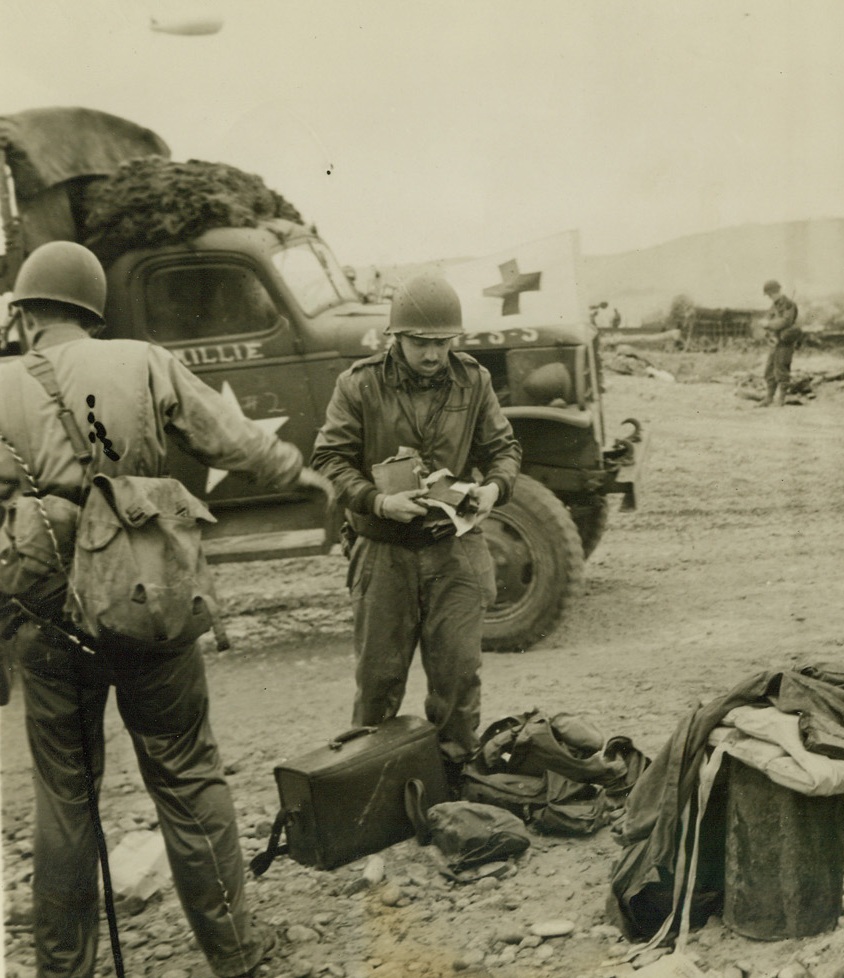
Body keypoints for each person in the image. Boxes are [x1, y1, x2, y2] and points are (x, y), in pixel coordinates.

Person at [0, 240, 332, 978]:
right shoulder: (141, 361)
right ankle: (237, 956)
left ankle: (63, 970)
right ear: (93, 310)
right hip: (145, 595)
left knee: (64, 796)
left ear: (25, 316)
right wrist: (300, 473)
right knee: (187, 774)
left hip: (48, 611)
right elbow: (233, 438)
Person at [311, 273, 521, 770]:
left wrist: (495, 488)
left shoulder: (474, 380)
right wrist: (378, 503)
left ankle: (454, 783)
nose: (432, 355)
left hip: (455, 547)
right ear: (395, 337)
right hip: (383, 550)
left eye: (443, 343)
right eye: (420, 343)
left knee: (458, 675)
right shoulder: (359, 384)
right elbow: (329, 458)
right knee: (379, 682)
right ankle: (370, 790)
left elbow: (504, 449)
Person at [759, 279, 801, 407]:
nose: (770, 297)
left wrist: (769, 324)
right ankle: (769, 398)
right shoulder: (774, 306)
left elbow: (785, 321)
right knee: (769, 371)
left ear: (775, 291)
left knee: (782, 370)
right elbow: (768, 320)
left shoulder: (788, 304)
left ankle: (781, 399)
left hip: (785, 342)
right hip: (774, 342)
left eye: (770, 294)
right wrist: (768, 330)